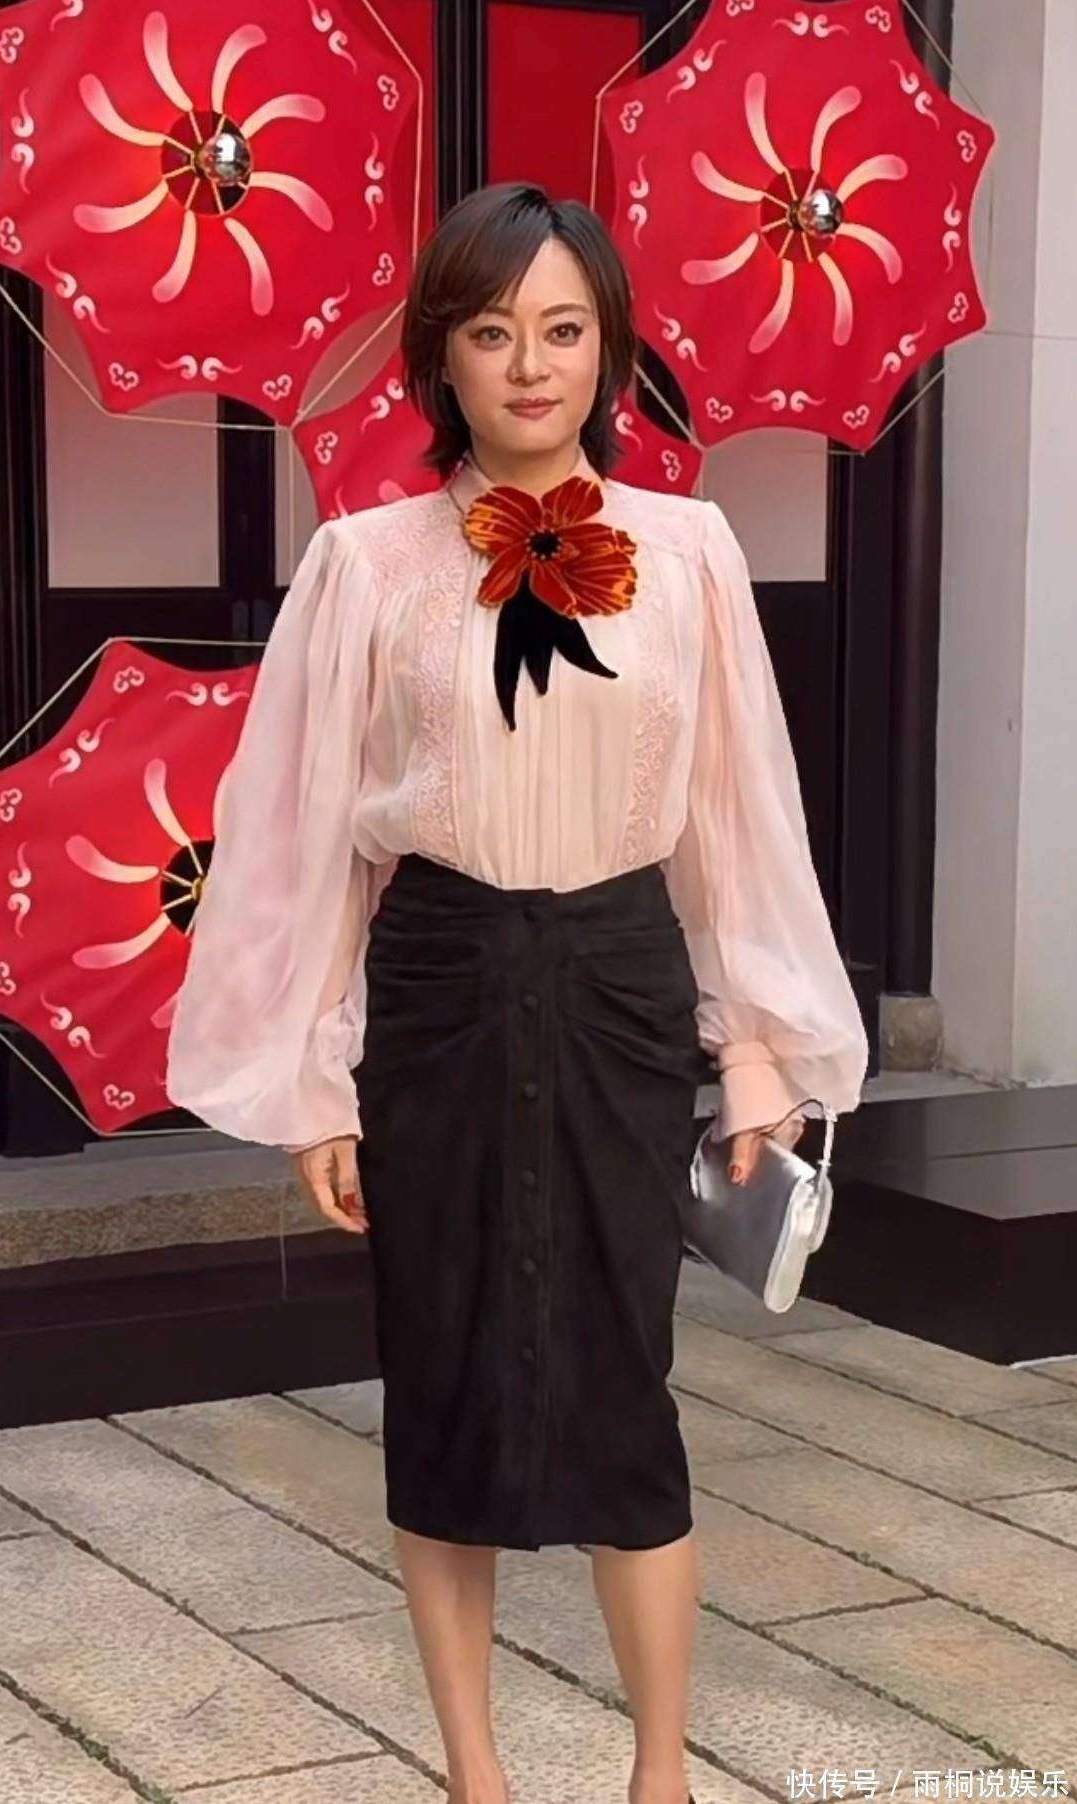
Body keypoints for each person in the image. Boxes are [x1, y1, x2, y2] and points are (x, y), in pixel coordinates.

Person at [165, 181, 868, 1804]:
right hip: (439, 988)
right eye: (492, 333)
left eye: (563, 329)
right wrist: (315, 1084)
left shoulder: (690, 551)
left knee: (629, 1378)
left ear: (609, 347)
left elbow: (735, 818)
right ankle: (474, 1774)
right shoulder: (363, 564)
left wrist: (754, 1051)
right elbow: (304, 846)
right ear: (442, 356)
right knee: (442, 1382)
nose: (531, 365)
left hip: (621, 984)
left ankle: (660, 1774)